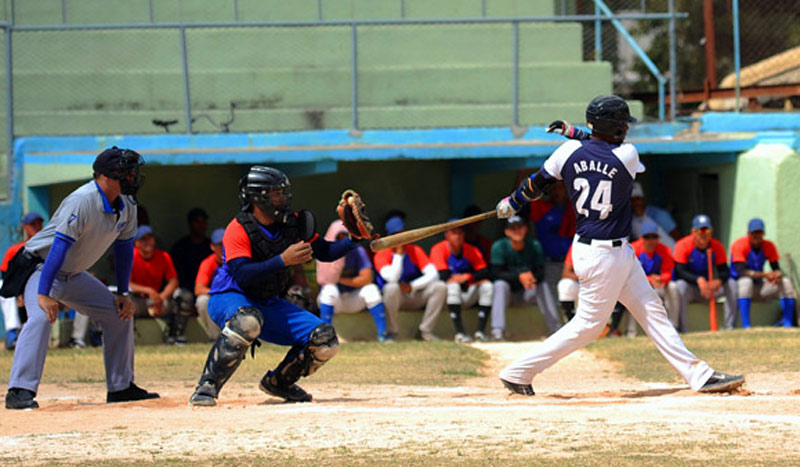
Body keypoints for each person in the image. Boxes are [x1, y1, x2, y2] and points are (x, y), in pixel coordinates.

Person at [494, 95, 744, 396]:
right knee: (588, 325)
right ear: (612, 127)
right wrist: (576, 133)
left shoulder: (567, 151)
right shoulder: (627, 155)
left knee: (653, 311)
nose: (626, 128)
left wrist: (513, 202)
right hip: (603, 255)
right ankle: (518, 371)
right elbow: (599, 148)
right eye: (622, 123)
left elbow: (538, 183)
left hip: (607, 250)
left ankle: (699, 375)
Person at [4, 147, 158, 409]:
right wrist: (43, 294)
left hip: (73, 274)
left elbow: (123, 250)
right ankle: (19, 390)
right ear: (105, 176)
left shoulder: (128, 204)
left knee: (118, 313)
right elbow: (57, 250)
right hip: (41, 269)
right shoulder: (82, 200)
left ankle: (120, 387)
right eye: (125, 171)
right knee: (41, 317)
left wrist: (123, 293)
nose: (132, 176)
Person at [189, 166, 356, 406]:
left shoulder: (294, 223)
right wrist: (282, 260)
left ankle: (279, 382)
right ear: (258, 197)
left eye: (283, 192)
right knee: (247, 320)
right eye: (275, 193)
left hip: (267, 301)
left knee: (325, 339)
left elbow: (325, 252)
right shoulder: (238, 228)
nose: (282, 198)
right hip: (231, 296)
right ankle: (207, 387)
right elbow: (243, 275)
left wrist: (354, 240)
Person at [374, 215, 446, 341]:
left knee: (440, 286)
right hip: (395, 298)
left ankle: (425, 331)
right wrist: (398, 254)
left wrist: (412, 286)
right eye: (395, 234)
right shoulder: (381, 254)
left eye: (401, 233)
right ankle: (391, 333)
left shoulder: (414, 250)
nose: (400, 237)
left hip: (414, 294)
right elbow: (392, 278)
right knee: (391, 288)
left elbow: (433, 274)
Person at [490, 215, 560, 340]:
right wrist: (519, 276)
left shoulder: (534, 245)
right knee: (499, 285)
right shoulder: (499, 246)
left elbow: (541, 272)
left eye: (520, 227)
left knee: (542, 284)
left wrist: (531, 279)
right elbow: (496, 273)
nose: (517, 231)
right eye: (513, 229)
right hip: (508, 295)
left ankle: (556, 329)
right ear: (507, 232)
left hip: (527, 294)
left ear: (526, 229)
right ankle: (497, 331)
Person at [316, 220, 389, 342]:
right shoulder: (325, 251)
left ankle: (383, 336)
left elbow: (367, 278)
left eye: (346, 236)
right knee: (329, 289)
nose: (342, 240)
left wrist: (339, 279)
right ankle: (325, 336)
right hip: (333, 301)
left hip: (353, 299)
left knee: (371, 290)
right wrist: (340, 278)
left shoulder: (357, 251)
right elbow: (326, 280)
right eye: (339, 237)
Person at [673, 214, 738, 331]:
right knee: (679, 286)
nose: (703, 234)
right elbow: (679, 271)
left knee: (732, 283)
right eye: (700, 230)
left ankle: (730, 327)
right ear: (693, 231)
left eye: (706, 230)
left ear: (711, 231)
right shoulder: (682, 245)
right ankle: (683, 329)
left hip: (710, 289)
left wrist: (718, 281)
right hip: (691, 289)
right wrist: (698, 280)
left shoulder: (716, 246)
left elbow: (725, 271)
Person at [430, 223, 493, 343]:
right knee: (452, 286)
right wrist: (470, 278)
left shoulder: (471, 249)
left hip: (467, 293)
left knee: (488, 286)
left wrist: (467, 277)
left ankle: (480, 332)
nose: (457, 236)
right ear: (447, 235)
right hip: (446, 298)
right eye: (454, 233)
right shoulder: (439, 249)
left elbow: (485, 272)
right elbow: (443, 276)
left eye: (460, 233)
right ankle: (460, 333)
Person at [730, 218, 796, 328]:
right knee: (746, 282)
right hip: (739, 288)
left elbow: (776, 268)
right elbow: (740, 271)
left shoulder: (768, 246)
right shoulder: (739, 244)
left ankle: (788, 323)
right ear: (748, 234)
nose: (756, 236)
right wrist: (765, 275)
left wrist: (777, 275)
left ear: (763, 233)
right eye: (753, 233)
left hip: (759, 287)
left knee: (786, 282)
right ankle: (746, 326)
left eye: (759, 232)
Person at [129, 225, 188, 344]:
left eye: (150, 238)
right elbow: (126, 284)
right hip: (138, 302)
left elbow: (173, 281)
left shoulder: (163, 256)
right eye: (143, 239)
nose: (147, 242)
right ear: (136, 243)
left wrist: (161, 297)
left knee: (183, 295)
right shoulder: (130, 256)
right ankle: (129, 338)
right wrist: (149, 291)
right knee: (124, 300)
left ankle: (174, 336)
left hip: (159, 301)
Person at [527, 181, 574, 324]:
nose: (557, 192)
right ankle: (556, 330)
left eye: (560, 188)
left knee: (573, 294)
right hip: (549, 262)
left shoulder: (573, 208)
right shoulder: (542, 207)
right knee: (552, 299)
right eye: (553, 189)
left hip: (572, 263)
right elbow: (527, 194)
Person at [557, 245, 627, 338]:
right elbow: (565, 273)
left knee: (619, 285)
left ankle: (613, 329)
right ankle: (572, 328)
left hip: (603, 286)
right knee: (565, 285)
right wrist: (587, 278)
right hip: (584, 285)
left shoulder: (608, 246)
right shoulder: (579, 245)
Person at [1, 212, 44, 350]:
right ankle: (12, 336)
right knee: (4, 292)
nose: (37, 227)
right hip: (15, 286)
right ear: (25, 227)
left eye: (39, 223)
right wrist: (19, 292)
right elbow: (5, 275)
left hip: (41, 286)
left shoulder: (47, 246)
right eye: (33, 224)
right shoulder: (15, 249)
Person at [631, 221, 680, 333]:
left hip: (659, 284)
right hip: (640, 285)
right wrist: (650, 280)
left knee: (673, 287)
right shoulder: (633, 249)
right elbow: (631, 274)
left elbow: (668, 271)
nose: (651, 240)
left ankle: (674, 325)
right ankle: (631, 331)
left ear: (658, 238)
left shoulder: (664, 249)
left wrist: (661, 279)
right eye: (647, 237)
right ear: (641, 238)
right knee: (631, 292)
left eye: (654, 237)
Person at [194, 228, 225, 340]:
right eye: (220, 245)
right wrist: (218, 293)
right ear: (212, 246)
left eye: (226, 244)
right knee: (202, 301)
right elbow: (198, 289)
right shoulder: (208, 262)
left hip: (234, 299)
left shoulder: (236, 260)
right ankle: (215, 338)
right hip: (217, 298)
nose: (223, 248)